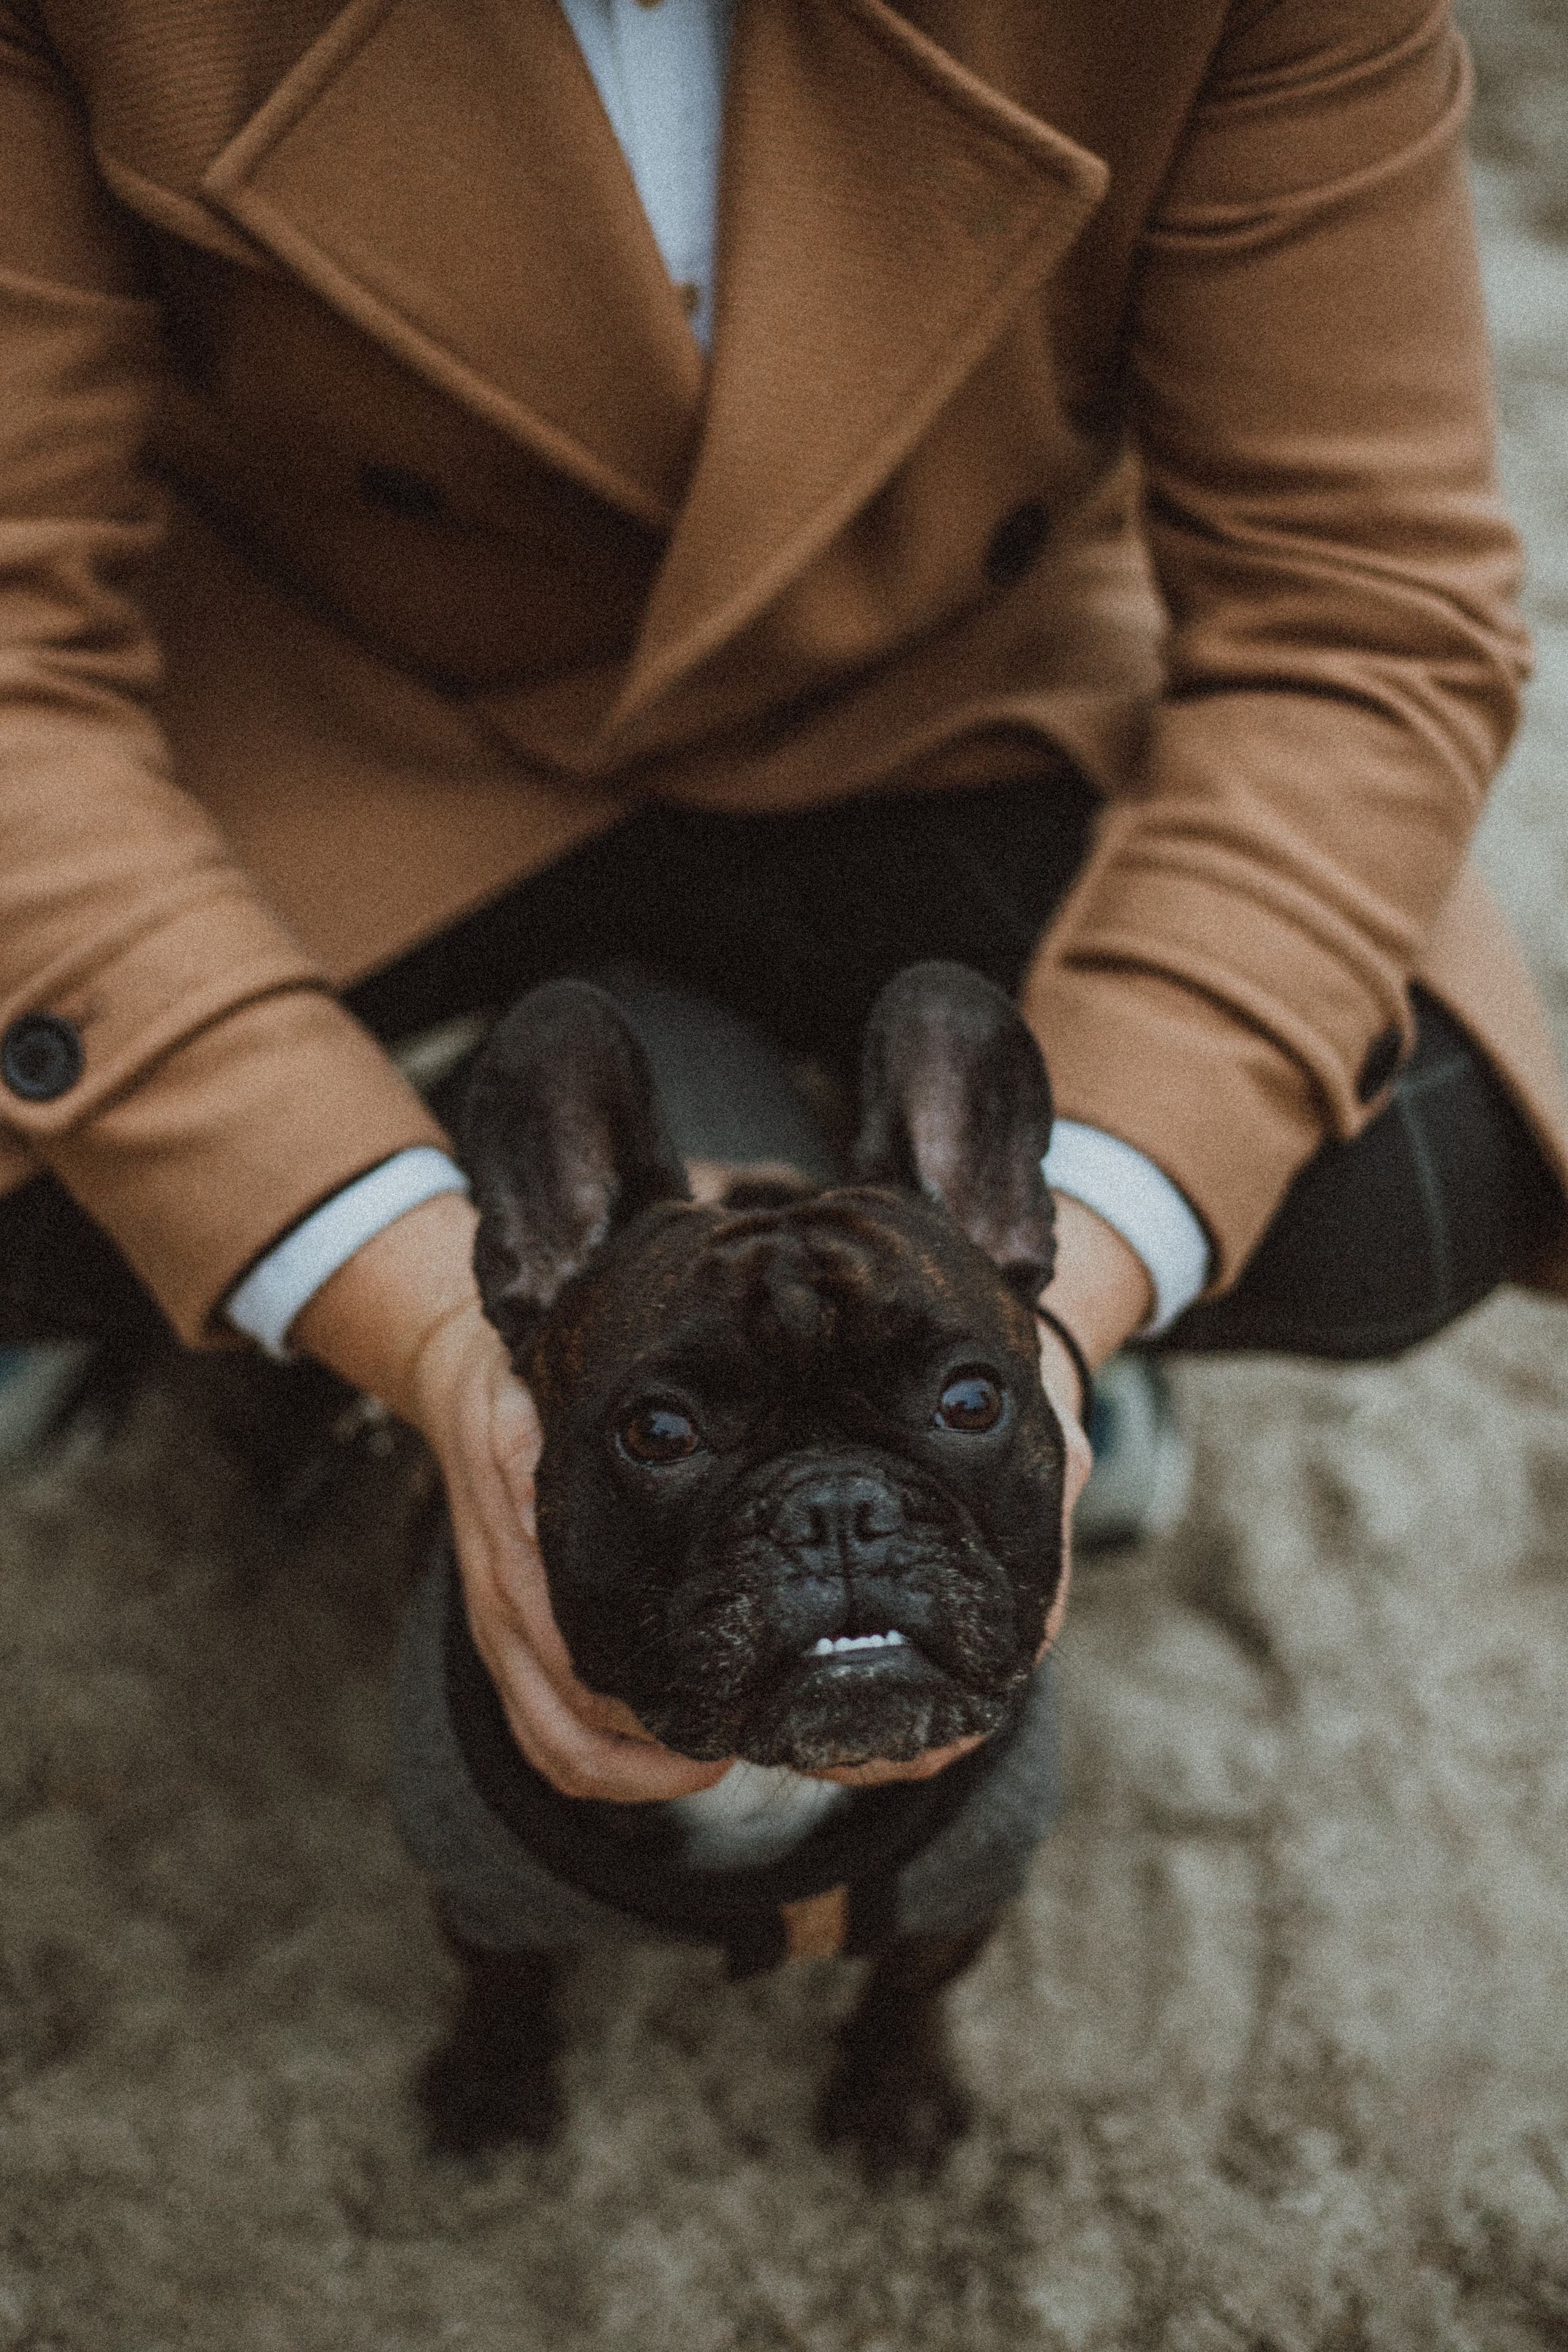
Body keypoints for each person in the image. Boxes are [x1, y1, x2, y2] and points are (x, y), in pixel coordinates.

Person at [2, 0, 1565, 1808]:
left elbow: (1357, 621)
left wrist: (1048, 1295)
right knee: (71, 1185)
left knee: (1416, 1160)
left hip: (933, 686)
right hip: (334, 707)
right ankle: (331, 1242)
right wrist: (412, 1300)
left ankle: (914, 1305)